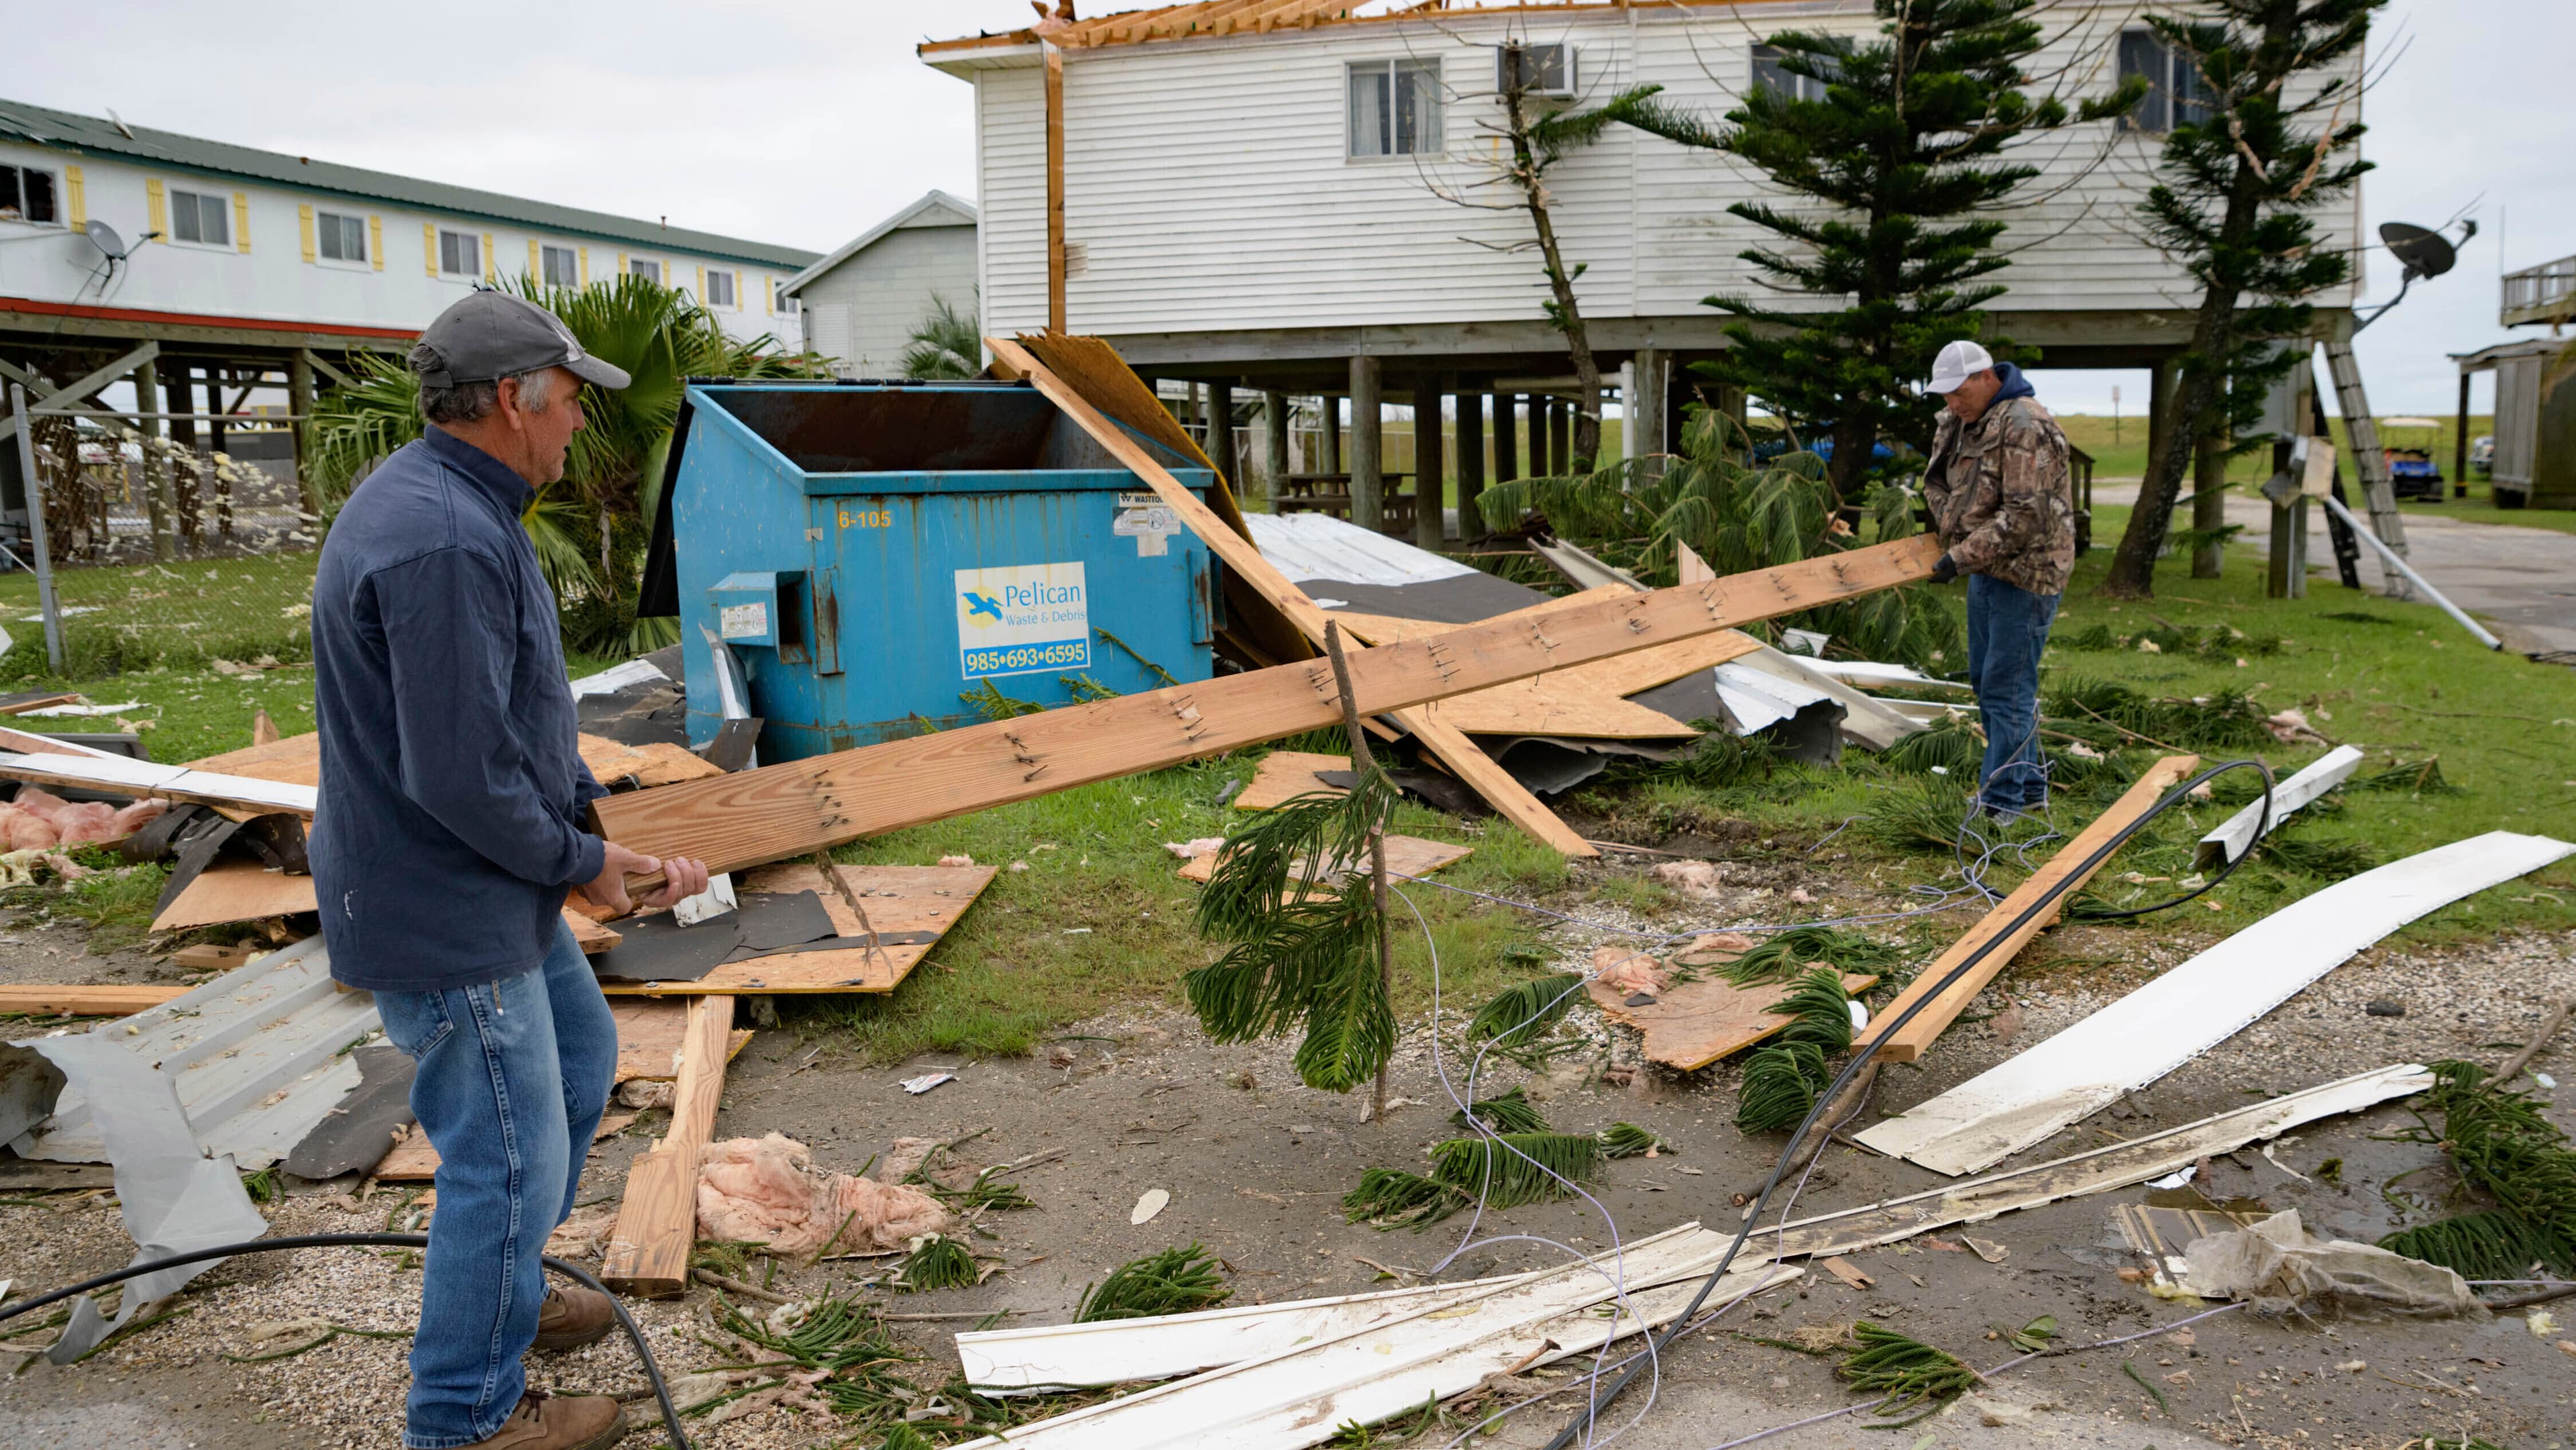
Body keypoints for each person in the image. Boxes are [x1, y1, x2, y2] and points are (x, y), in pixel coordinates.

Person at [311, 289, 710, 1450]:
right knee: (504, 1150)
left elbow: (511, 724)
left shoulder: (463, 505)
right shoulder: (442, 537)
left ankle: (508, 1294)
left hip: (484, 881)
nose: (580, 421)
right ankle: (463, 1419)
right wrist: (581, 866)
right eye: (573, 398)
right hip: (445, 900)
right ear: (510, 399)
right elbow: (459, 772)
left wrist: (590, 834)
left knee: (579, 1060)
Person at [1917, 339, 2076, 821]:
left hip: (2027, 573)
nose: (1951, 402)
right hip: (1986, 567)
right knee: (1990, 683)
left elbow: (2025, 517)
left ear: (1987, 377)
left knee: (2007, 688)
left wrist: (1958, 557)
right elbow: (1940, 482)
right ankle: (2028, 789)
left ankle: (2001, 803)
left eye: (1958, 391)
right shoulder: (1962, 422)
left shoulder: (2025, 425)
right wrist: (1949, 534)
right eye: (1944, 394)